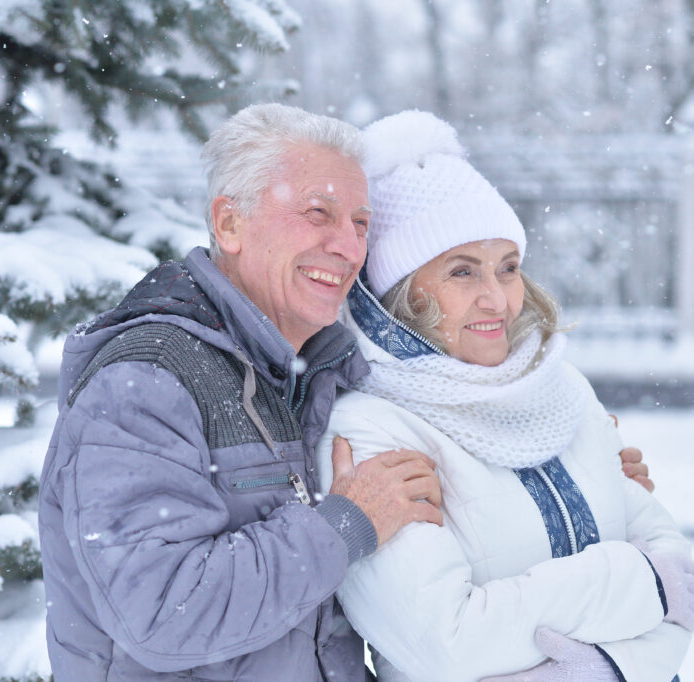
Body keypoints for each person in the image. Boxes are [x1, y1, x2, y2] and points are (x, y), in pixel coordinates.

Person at [37, 103, 445, 680]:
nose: (350, 248)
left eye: (360, 222)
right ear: (229, 224)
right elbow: (162, 613)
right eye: (317, 213)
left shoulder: (319, 373)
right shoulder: (147, 380)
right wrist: (344, 524)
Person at [318, 110, 694, 682]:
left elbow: (682, 587)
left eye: (508, 267)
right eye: (462, 273)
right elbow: (446, 643)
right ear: (398, 295)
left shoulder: (561, 391)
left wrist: (605, 668)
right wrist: (629, 582)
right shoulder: (372, 432)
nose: (497, 300)